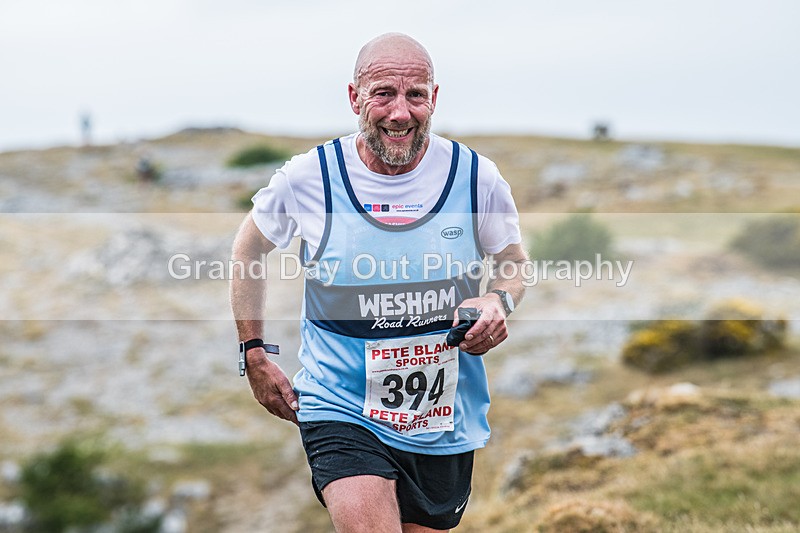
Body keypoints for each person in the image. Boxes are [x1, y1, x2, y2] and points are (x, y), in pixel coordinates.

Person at [230, 33, 527, 533]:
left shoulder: (476, 176)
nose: (399, 112)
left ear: (434, 99)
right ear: (354, 98)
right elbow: (249, 249)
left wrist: (498, 301)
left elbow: (514, 261)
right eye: (383, 93)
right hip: (339, 402)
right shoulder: (311, 178)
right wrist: (254, 353)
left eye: (415, 95)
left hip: (440, 414)